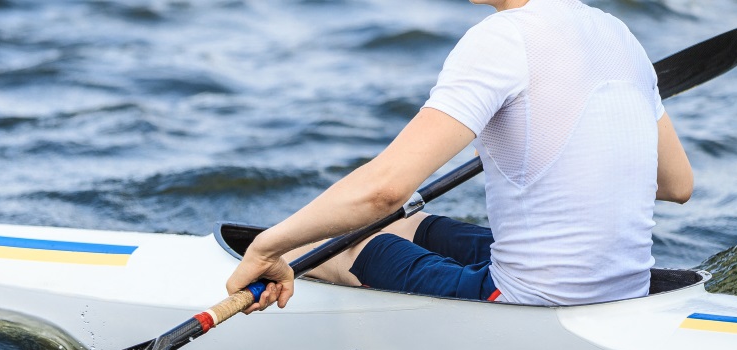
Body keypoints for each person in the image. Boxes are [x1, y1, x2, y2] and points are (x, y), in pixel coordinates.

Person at [225, 0, 694, 312]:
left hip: (526, 302)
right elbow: (676, 184)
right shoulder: (619, 34)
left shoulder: (503, 37)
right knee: (403, 225)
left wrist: (268, 247)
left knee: (328, 243)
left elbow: (384, 190)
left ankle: (288, 256)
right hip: (626, 290)